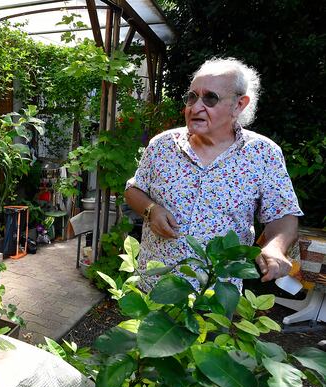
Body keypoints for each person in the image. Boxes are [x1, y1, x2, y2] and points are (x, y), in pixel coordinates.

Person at [125, 57, 302, 289]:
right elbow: (133, 190)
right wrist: (151, 209)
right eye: (192, 97)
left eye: (210, 98)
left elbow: (283, 213)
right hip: (156, 287)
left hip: (217, 294)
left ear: (239, 105)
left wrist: (276, 246)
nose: (196, 107)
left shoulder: (263, 154)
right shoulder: (162, 145)